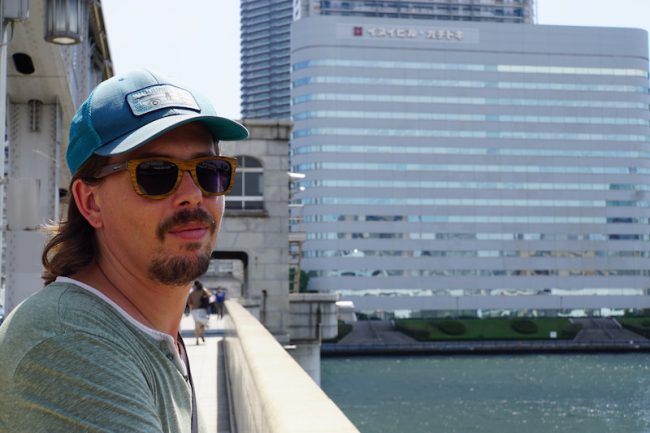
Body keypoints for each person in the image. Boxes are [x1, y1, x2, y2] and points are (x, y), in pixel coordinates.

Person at [0, 69, 248, 433]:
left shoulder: (149, 335)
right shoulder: (69, 345)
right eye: (156, 174)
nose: (193, 194)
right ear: (91, 202)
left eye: (210, 171)